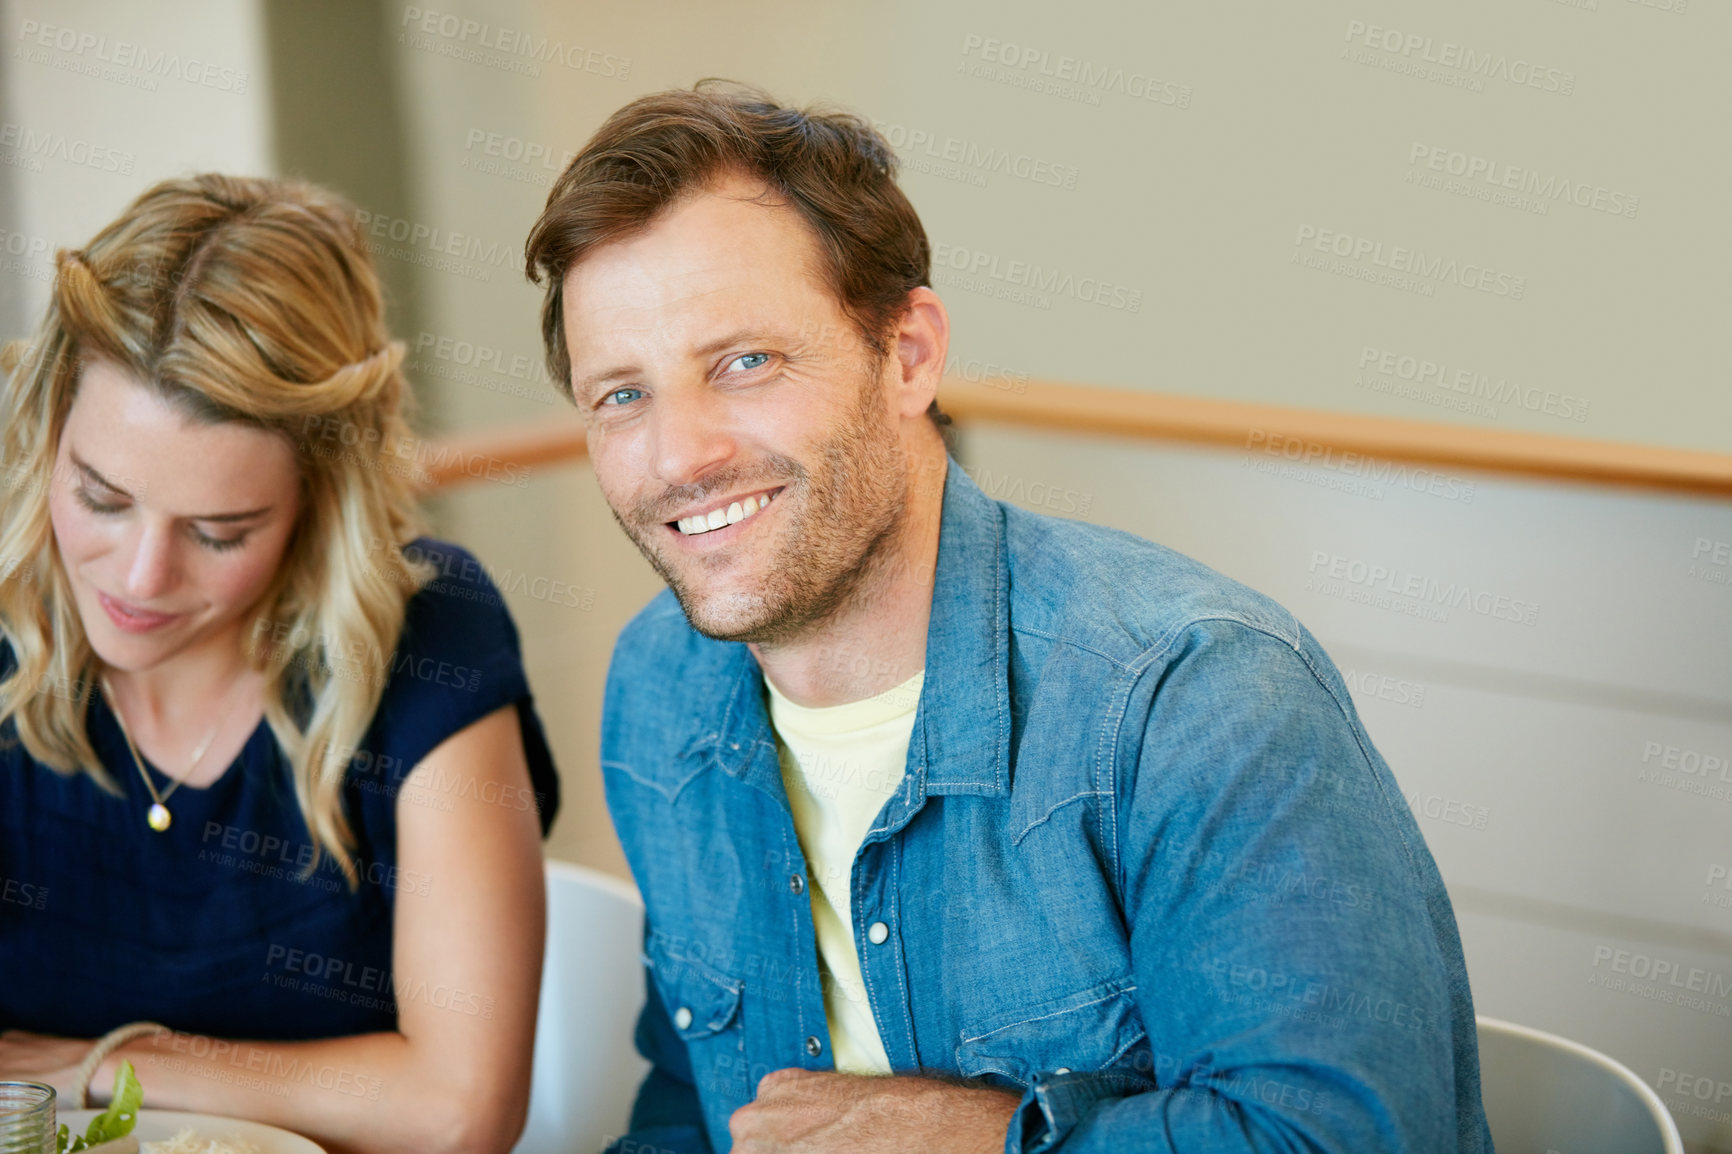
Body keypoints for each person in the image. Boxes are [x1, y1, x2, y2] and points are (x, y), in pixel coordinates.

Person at [526, 82, 1493, 1154]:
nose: (678, 454)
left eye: (745, 362)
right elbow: (691, 1099)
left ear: (908, 354)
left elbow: (1338, 1139)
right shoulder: (658, 688)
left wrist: (974, 1137)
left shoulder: (1200, 698)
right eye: (621, 394)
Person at [0, 174, 558, 1154]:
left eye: (220, 531)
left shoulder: (429, 641)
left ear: (319, 499)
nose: (139, 575)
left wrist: (102, 1066)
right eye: (100, 494)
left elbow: (461, 1108)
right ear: (49, 429)